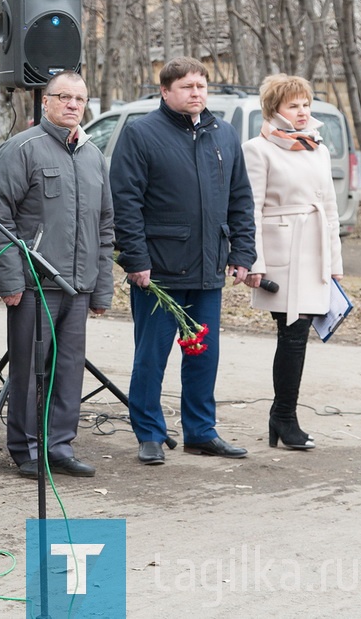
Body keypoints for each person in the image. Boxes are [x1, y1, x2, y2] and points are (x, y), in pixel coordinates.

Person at [110, 57, 256, 465]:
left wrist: (242, 252)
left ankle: (201, 432)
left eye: (201, 86)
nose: (196, 93)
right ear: (165, 91)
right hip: (158, 271)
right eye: (188, 87)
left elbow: (241, 199)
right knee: (151, 356)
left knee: (203, 354)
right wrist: (135, 260)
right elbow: (126, 203)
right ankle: (150, 433)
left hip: (209, 268)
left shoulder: (223, 135)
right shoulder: (141, 134)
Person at [0, 71, 114, 479]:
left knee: (68, 368)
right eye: (64, 97)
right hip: (35, 284)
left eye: (79, 98)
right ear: (46, 102)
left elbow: (105, 226)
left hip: (78, 285)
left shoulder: (94, 156)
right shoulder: (22, 149)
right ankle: (25, 449)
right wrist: (11, 281)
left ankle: (58, 445)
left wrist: (101, 289)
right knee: (30, 369)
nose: (72, 105)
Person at [242, 74, 343, 450]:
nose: (302, 112)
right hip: (283, 253)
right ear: (275, 109)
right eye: (293, 106)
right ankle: (284, 417)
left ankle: (282, 416)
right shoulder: (257, 148)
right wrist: (255, 261)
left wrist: (334, 263)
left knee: (297, 336)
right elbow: (248, 209)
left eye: (305, 104)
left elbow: (329, 209)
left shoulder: (317, 147)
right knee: (293, 335)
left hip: (314, 250)